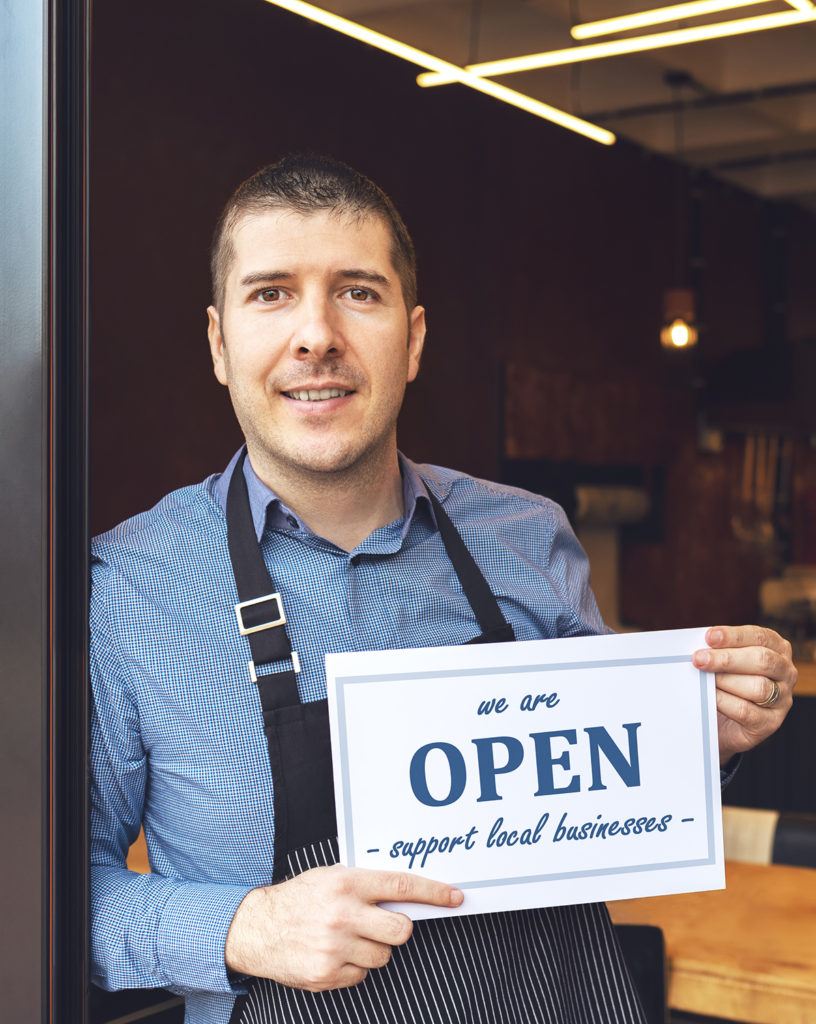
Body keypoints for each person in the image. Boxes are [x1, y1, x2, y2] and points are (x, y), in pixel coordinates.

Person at [91, 154, 797, 1024]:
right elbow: (49, 900)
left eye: (358, 291)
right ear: (218, 343)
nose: (316, 335)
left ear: (414, 338)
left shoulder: (529, 535)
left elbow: (621, 801)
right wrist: (243, 926)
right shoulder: (130, 588)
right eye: (271, 293)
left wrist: (707, 735)